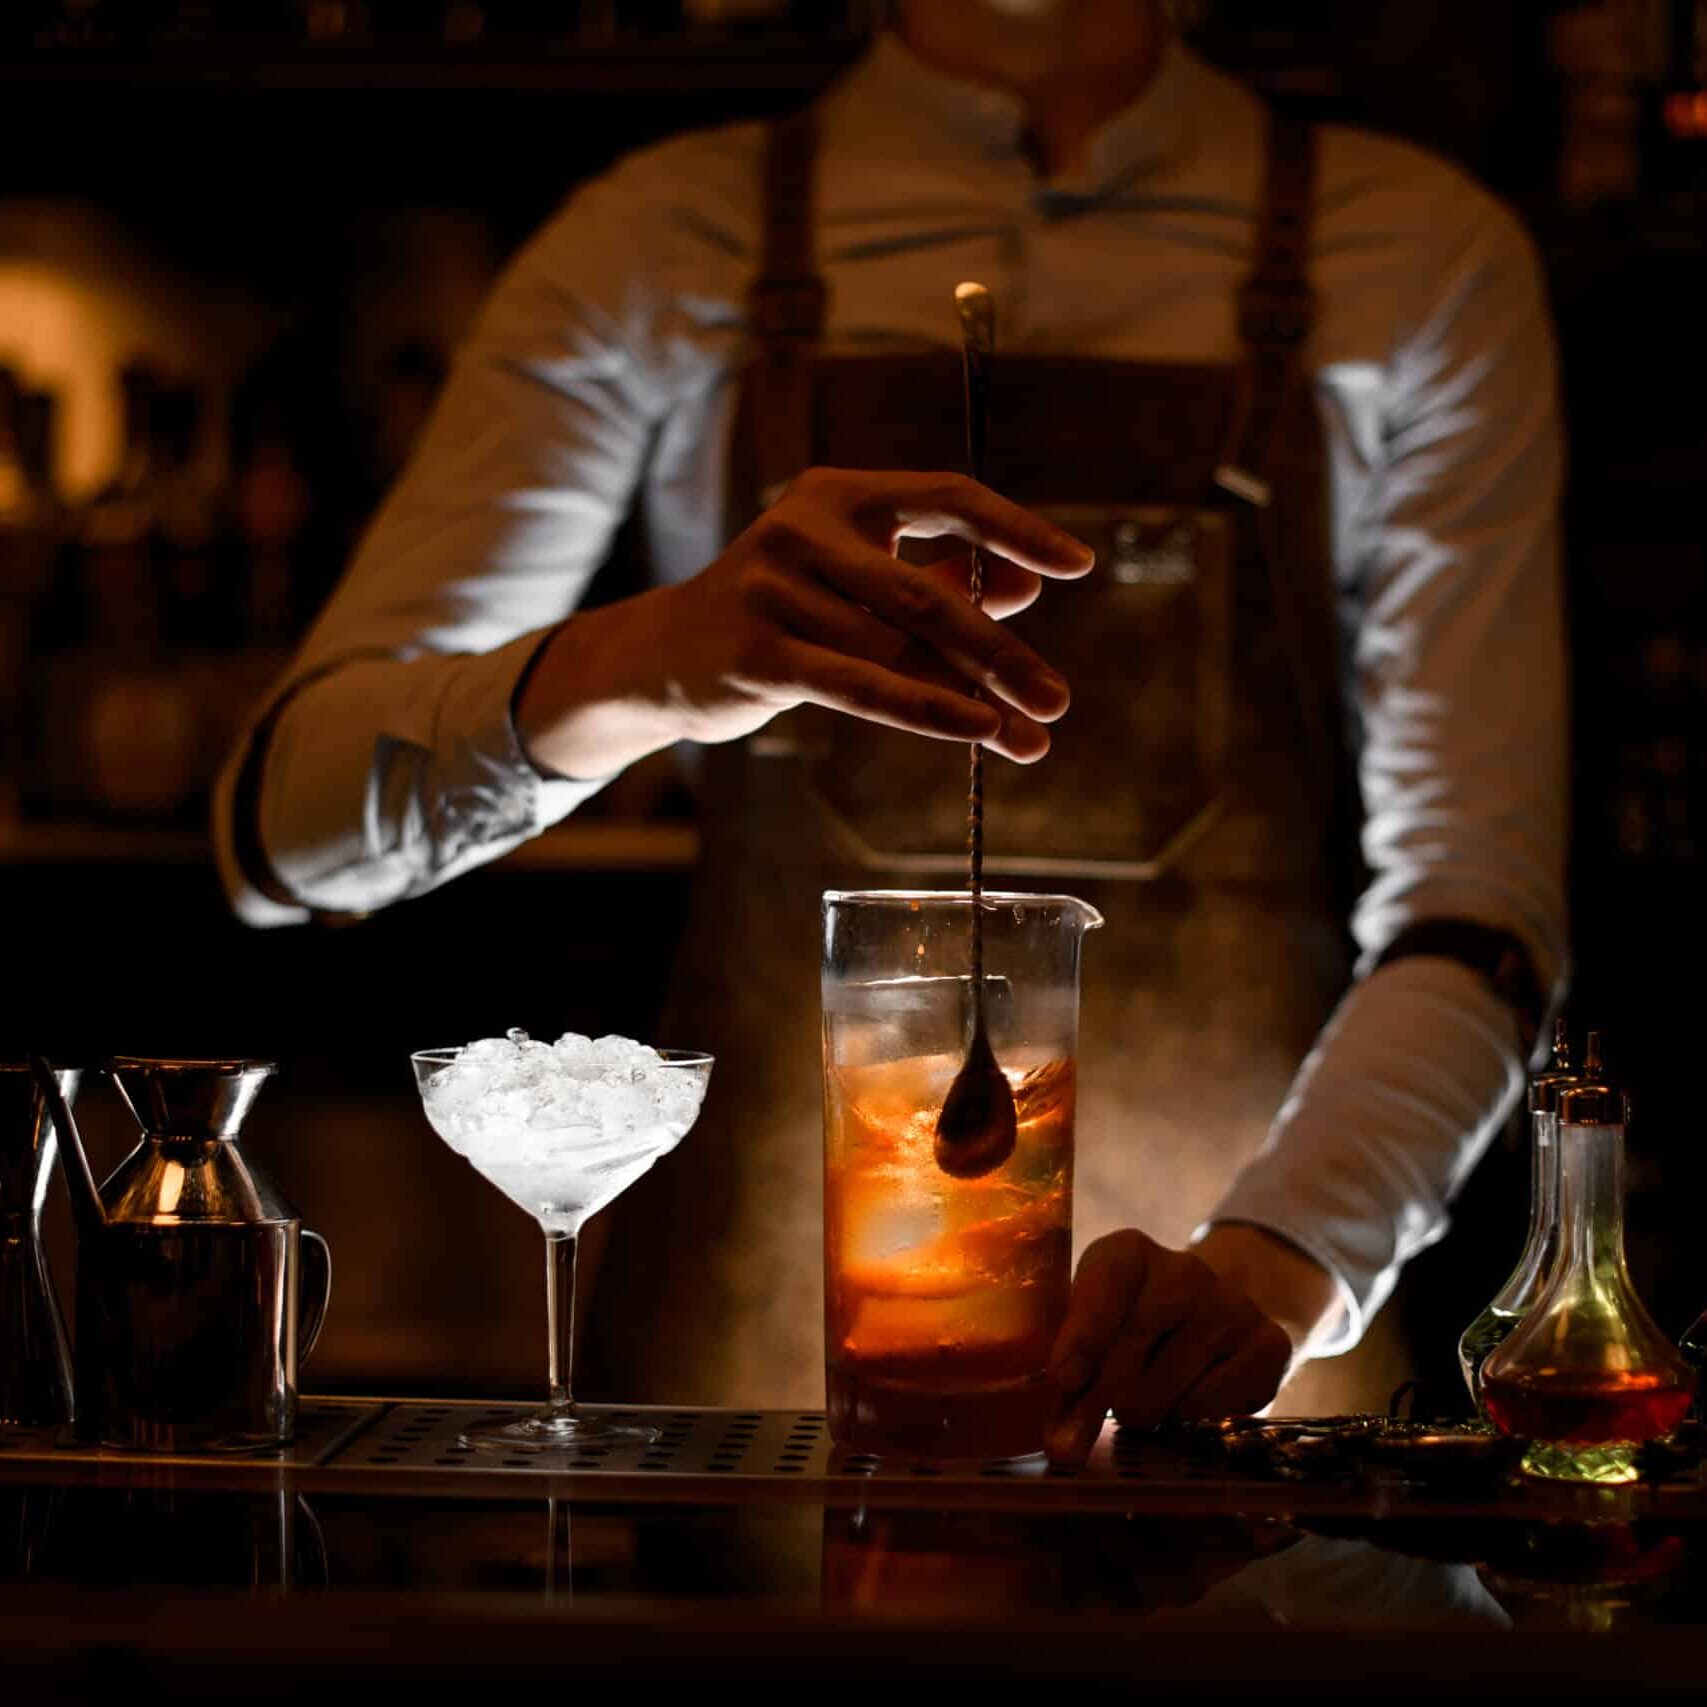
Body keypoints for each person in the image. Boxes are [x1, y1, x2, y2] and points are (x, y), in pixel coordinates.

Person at [216, 0, 1566, 1462]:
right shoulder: (667, 238)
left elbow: (1479, 906)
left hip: (1240, 1401)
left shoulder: (1418, 255)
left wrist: (1284, 1257)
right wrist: (644, 667)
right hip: (748, 1410)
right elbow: (287, 835)